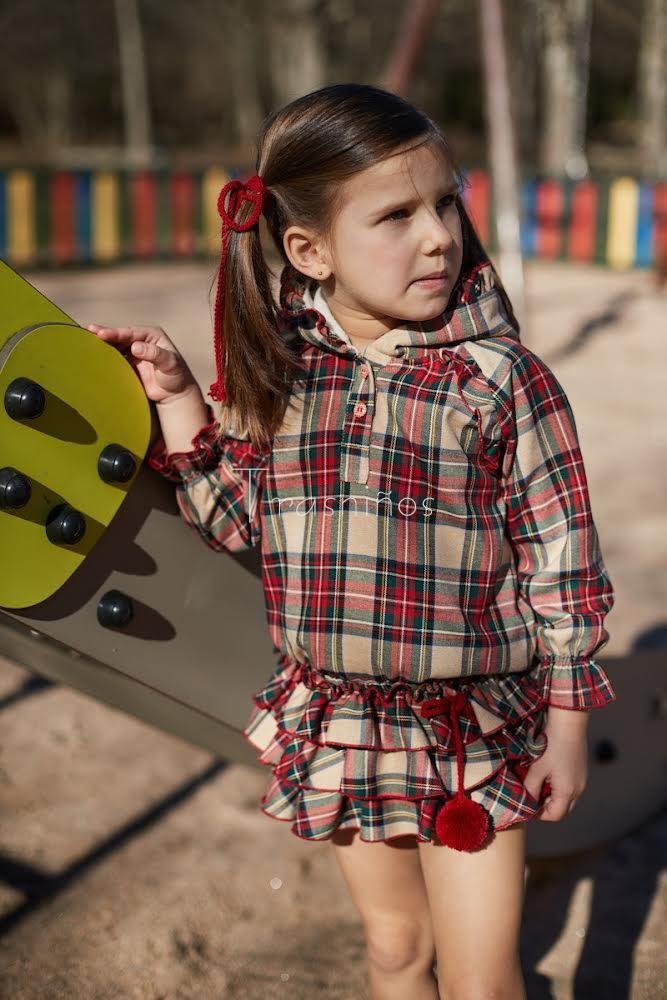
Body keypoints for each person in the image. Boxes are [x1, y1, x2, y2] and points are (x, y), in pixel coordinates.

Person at [86, 82, 616, 1000]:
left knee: (482, 978)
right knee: (393, 951)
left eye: (446, 202)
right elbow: (241, 525)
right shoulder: (282, 379)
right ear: (308, 249)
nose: (439, 234)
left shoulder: (500, 382)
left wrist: (566, 730)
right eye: (398, 214)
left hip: (472, 728)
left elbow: (563, 565)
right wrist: (179, 403)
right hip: (341, 720)